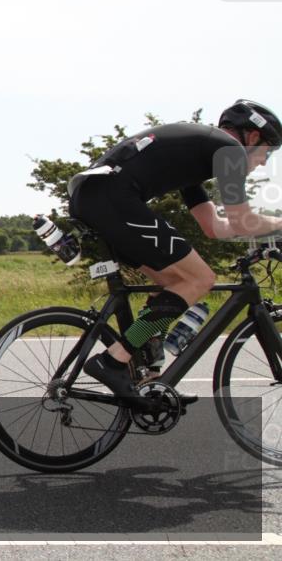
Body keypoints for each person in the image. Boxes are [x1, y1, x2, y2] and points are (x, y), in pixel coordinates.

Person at [68, 99, 282, 403]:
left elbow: (215, 227)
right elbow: (242, 219)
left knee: (175, 282)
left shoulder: (200, 156)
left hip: (96, 197)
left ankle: (150, 381)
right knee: (199, 279)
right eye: (267, 152)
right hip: (112, 197)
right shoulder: (230, 150)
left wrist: (269, 233)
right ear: (252, 137)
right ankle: (113, 361)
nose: (262, 162)